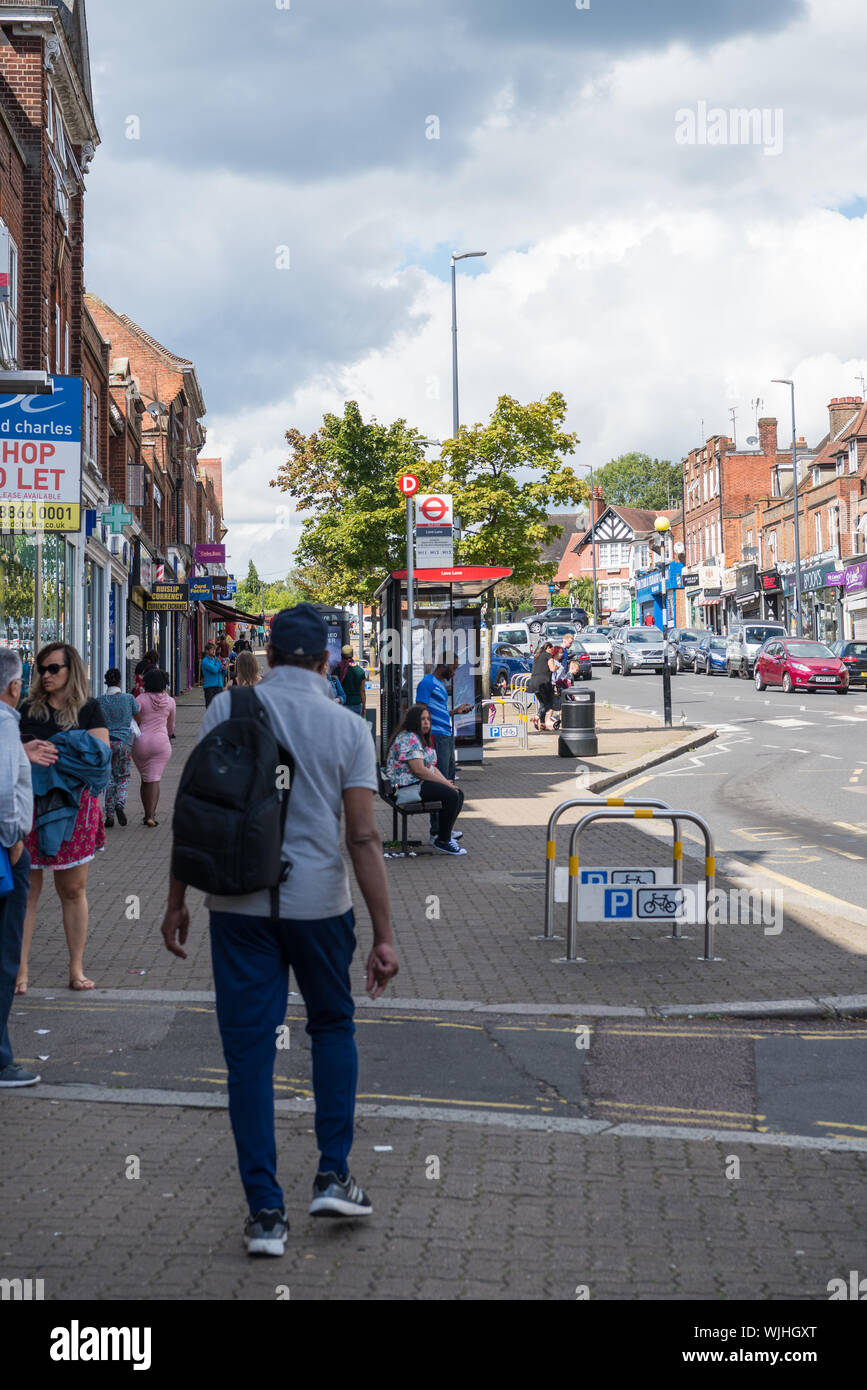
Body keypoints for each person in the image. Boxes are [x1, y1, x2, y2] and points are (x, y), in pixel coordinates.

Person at [161, 603, 399, 1254]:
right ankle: (331, 1173)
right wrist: (383, 934)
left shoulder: (224, 711)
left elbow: (194, 812)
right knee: (331, 1026)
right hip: (320, 905)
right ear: (326, 658)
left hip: (237, 907)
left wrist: (176, 899)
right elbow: (363, 837)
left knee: (248, 1056)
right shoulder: (348, 726)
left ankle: (265, 1214)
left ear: (270, 654)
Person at [15, 643, 111, 995]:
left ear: (72, 670)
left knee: (72, 890)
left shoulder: (89, 708)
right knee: (26, 891)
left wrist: (58, 752)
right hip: (29, 807)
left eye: (53, 668)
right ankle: (20, 972)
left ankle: (76, 969)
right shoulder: (26, 708)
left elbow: (100, 758)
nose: (46, 675)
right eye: (41, 669)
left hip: (75, 811)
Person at [0, 648, 39, 1084]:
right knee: (5, 958)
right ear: (14, 687)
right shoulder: (6, 723)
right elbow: (4, 788)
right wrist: (14, 840)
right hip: (4, 852)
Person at [386, 703, 465, 855]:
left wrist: (446, 782)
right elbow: (419, 770)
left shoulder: (418, 738)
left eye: (428, 719)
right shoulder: (409, 738)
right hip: (407, 788)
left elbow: (431, 767)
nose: (426, 722)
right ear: (414, 721)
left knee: (457, 793)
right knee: (451, 795)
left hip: (416, 784)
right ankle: (443, 840)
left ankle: (442, 834)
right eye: (422, 719)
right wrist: (444, 785)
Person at [415, 661, 470, 843]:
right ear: (443, 665)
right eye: (453, 668)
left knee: (449, 779)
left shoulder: (439, 685)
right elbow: (421, 709)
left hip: (446, 734)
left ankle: (446, 829)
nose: (454, 673)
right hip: (436, 736)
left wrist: (455, 712)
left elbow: (438, 711)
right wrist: (424, 733)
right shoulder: (427, 683)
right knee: (442, 782)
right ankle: (437, 831)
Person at [131, 668, 176, 827]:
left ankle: (147, 814)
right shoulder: (170, 701)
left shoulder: (140, 699)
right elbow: (171, 727)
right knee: (154, 778)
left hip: (141, 742)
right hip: (161, 743)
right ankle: (150, 815)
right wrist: (168, 736)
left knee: (146, 778)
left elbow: (133, 719)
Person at [96, 669, 140, 828]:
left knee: (109, 778)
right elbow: (138, 716)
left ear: (106, 682)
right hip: (124, 742)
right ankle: (120, 803)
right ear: (120, 682)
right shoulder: (128, 698)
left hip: (106, 742)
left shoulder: (99, 701)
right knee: (123, 775)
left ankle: (109, 814)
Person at [529, 641, 559, 731]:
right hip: (543, 683)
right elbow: (552, 669)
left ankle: (542, 724)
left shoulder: (537, 656)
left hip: (533, 682)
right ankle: (537, 717)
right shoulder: (548, 655)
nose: (552, 651)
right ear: (548, 648)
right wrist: (557, 667)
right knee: (548, 704)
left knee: (542, 703)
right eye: (552, 649)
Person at [338, 644, 366, 717]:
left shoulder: (338, 669)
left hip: (344, 704)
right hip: (357, 704)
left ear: (342, 655)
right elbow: (362, 691)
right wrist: (364, 707)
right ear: (352, 655)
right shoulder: (360, 671)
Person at [201, 642, 225, 708]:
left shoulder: (216, 660)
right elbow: (214, 670)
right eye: (212, 649)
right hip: (210, 688)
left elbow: (223, 673)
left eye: (214, 649)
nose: (214, 651)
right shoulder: (205, 661)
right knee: (210, 708)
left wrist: (224, 669)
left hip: (219, 687)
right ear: (207, 651)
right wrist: (218, 662)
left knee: (220, 709)